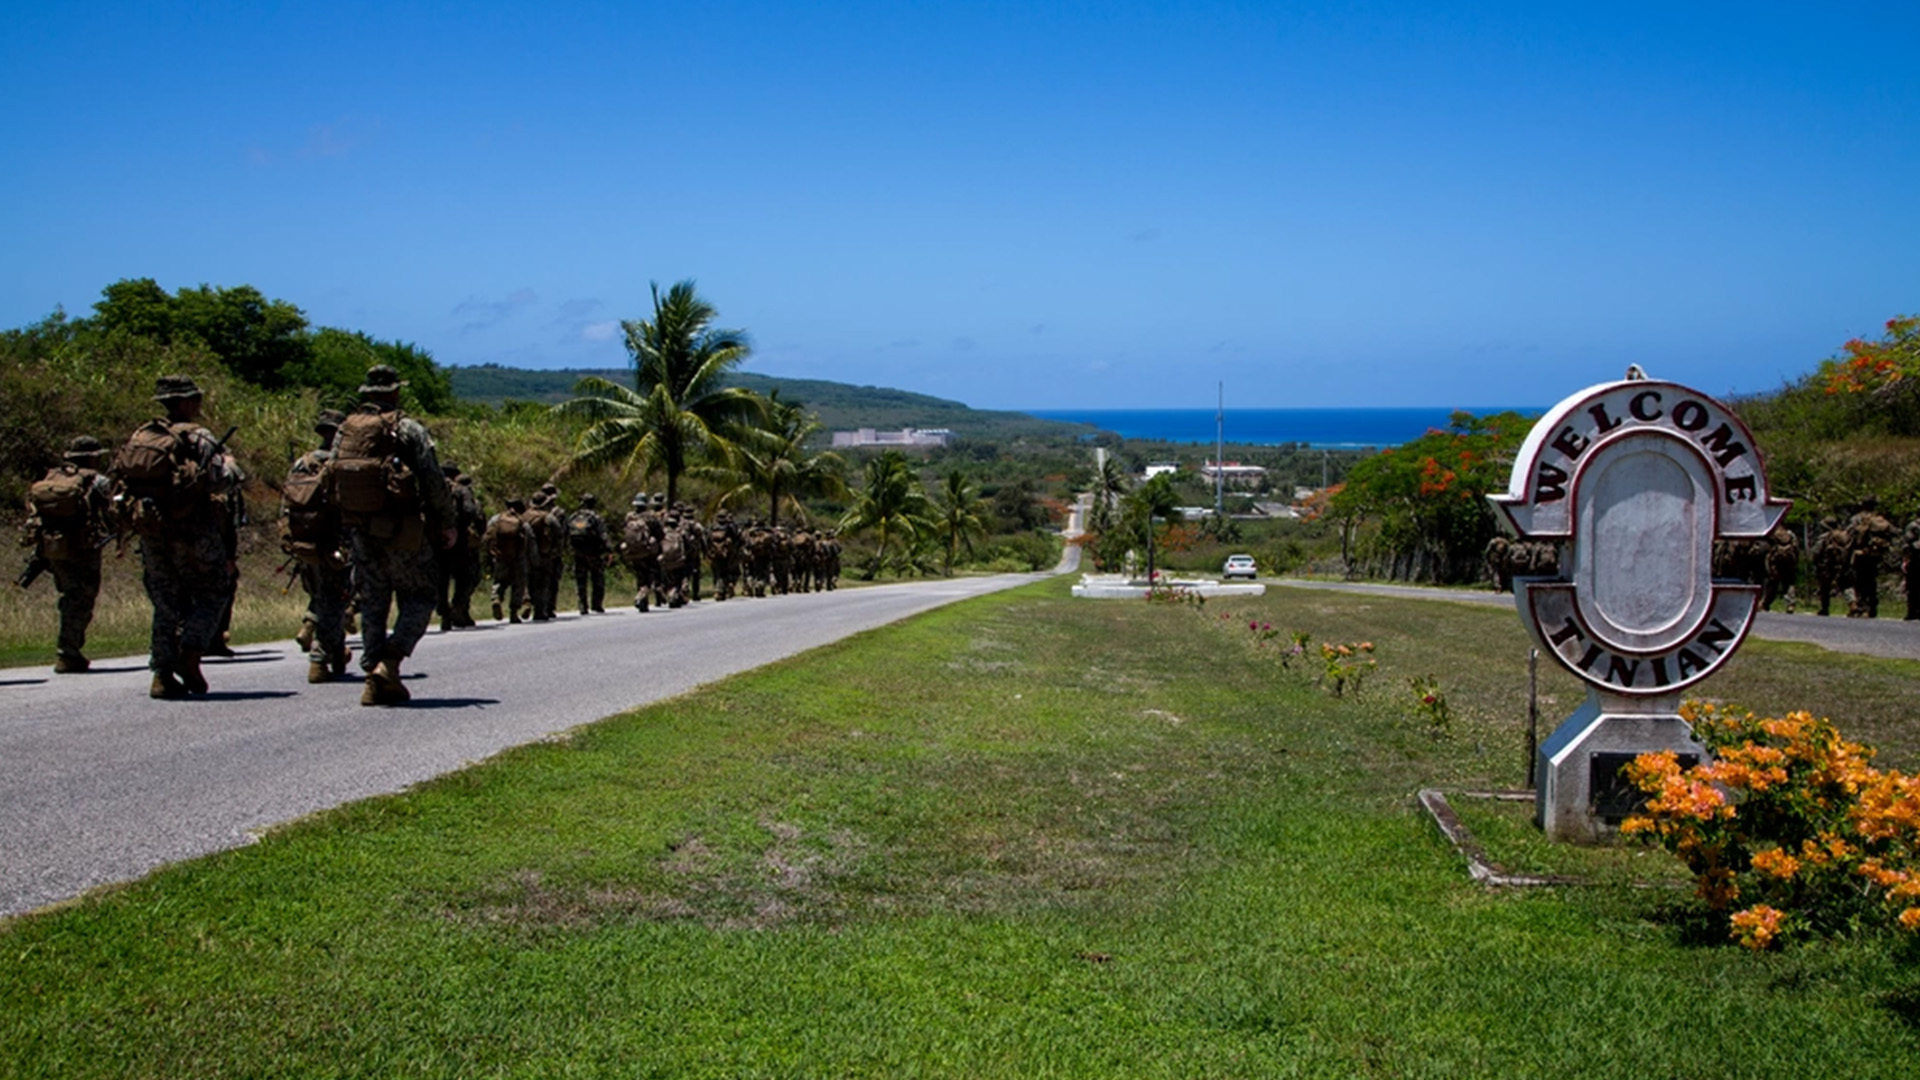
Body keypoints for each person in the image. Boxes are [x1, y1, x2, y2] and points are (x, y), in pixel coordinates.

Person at [333, 365, 457, 705]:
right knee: (421, 595)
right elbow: (433, 480)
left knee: (373, 603)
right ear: (396, 392)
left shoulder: (345, 432)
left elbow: (332, 480)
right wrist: (447, 522)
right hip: (402, 530)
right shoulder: (407, 429)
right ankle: (390, 662)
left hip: (360, 530)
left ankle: (373, 673)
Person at [112, 375, 237, 699]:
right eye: (194, 399)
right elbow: (220, 482)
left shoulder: (143, 435)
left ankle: (162, 674)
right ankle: (191, 651)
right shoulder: (199, 437)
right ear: (183, 402)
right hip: (193, 528)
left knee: (165, 601)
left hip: (152, 529)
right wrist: (232, 467)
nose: (198, 403)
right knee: (214, 590)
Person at [21, 436, 117, 673]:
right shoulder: (98, 481)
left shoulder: (52, 478)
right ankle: (68, 652)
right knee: (81, 599)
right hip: (82, 548)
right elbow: (111, 514)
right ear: (93, 456)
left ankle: (69, 649)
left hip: (52, 548)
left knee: (68, 596)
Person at [281, 409, 353, 683]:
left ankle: (336, 653)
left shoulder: (302, 463)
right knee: (335, 601)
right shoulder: (341, 465)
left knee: (324, 599)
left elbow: (286, 504)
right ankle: (319, 659)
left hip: (304, 543)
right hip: (336, 543)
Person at [438, 463, 486, 630]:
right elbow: (469, 510)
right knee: (464, 577)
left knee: (441, 579)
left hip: (435, 540)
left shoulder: (432, 486)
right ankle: (457, 607)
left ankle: (444, 613)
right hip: (459, 541)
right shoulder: (460, 490)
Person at [485, 496, 534, 623]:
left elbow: (488, 537)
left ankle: (496, 598)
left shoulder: (496, 519)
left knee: (499, 581)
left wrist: (489, 556)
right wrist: (533, 559)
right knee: (518, 585)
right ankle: (513, 612)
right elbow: (530, 542)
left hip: (500, 556)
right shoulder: (522, 522)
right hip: (518, 557)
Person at [1846, 499, 1895, 618]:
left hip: (1860, 555)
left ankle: (1862, 608)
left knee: (1860, 582)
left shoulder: (1857, 519)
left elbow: (1850, 535)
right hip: (1874, 555)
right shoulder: (1879, 519)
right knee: (1871, 582)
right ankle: (1873, 608)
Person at [566, 493, 610, 614]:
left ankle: (582, 605)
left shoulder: (573, 516)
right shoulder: (596, 517)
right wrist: (608, 549)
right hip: (593, 552)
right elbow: (603, 535)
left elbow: (567, 532)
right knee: (597, 578)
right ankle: (596, 604)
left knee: (581, 579)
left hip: (578, 552)